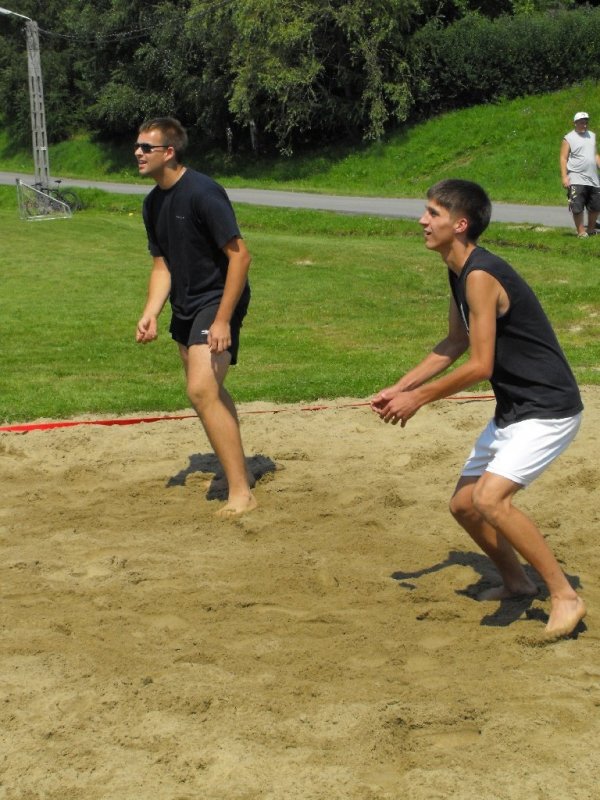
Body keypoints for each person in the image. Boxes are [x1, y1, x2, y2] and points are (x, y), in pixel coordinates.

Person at [371, 179, 586, 640]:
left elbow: (481, 364)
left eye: (433, 213)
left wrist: (418, 399)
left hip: (548, 407)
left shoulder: (482, 275)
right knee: (464, 506)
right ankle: (516, 582)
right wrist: (400, 386)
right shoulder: (458, 271)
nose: (422, 221)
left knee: (490, 500)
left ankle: (565, 595)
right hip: (516, 408)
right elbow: (454, 342)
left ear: (460, 224)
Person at [135, 116, 256, 516]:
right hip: (185, 304)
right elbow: (162, 265)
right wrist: (151, 312)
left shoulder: (204, 192)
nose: (137, 153)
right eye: (136, 147)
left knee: (201, 390)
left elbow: (240, 256)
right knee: (210, 391)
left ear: (168, 152)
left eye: (145, 148)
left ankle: (241, 492)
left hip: (219, 298)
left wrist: (222, 319)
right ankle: (237, 472)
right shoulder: (152, 202)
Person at [560, 111, 600, 238]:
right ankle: (581, 232)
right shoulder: (569, 138)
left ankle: (591, 229)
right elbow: (563, 158)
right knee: (577, 206)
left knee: (595, 206)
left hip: (593, 178)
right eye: (582, 122)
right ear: (575, 123)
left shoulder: (592, 136)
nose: (584, 124)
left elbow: (595, 154)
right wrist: (564, 176)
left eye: (586, 122)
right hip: (576, 177)